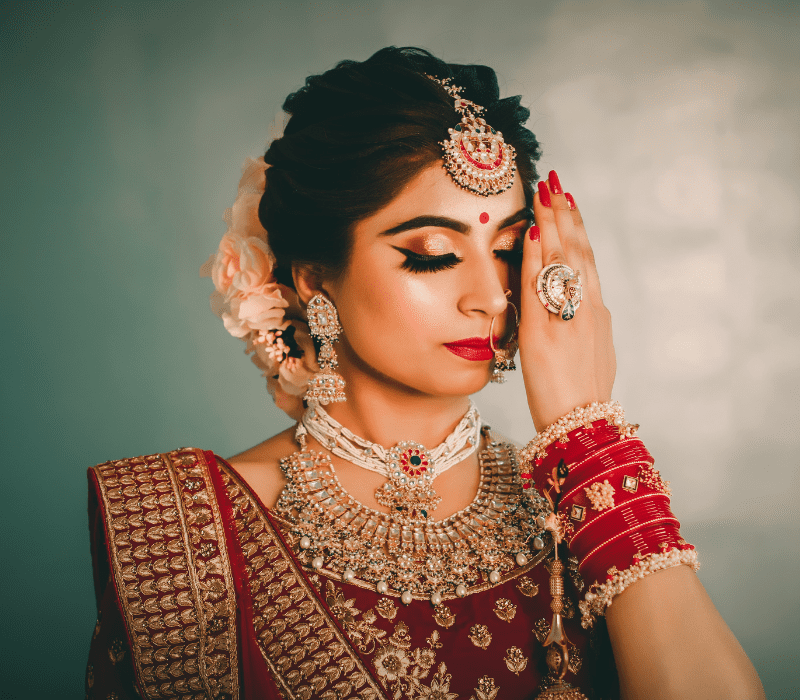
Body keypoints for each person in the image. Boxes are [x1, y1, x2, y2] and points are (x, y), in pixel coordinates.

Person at [85, 47, 765, 700]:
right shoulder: (184, 528)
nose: (491, 296)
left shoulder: (579, 506)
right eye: (434, 255)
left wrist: (585, 434)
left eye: (506, 251)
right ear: (315, 277)